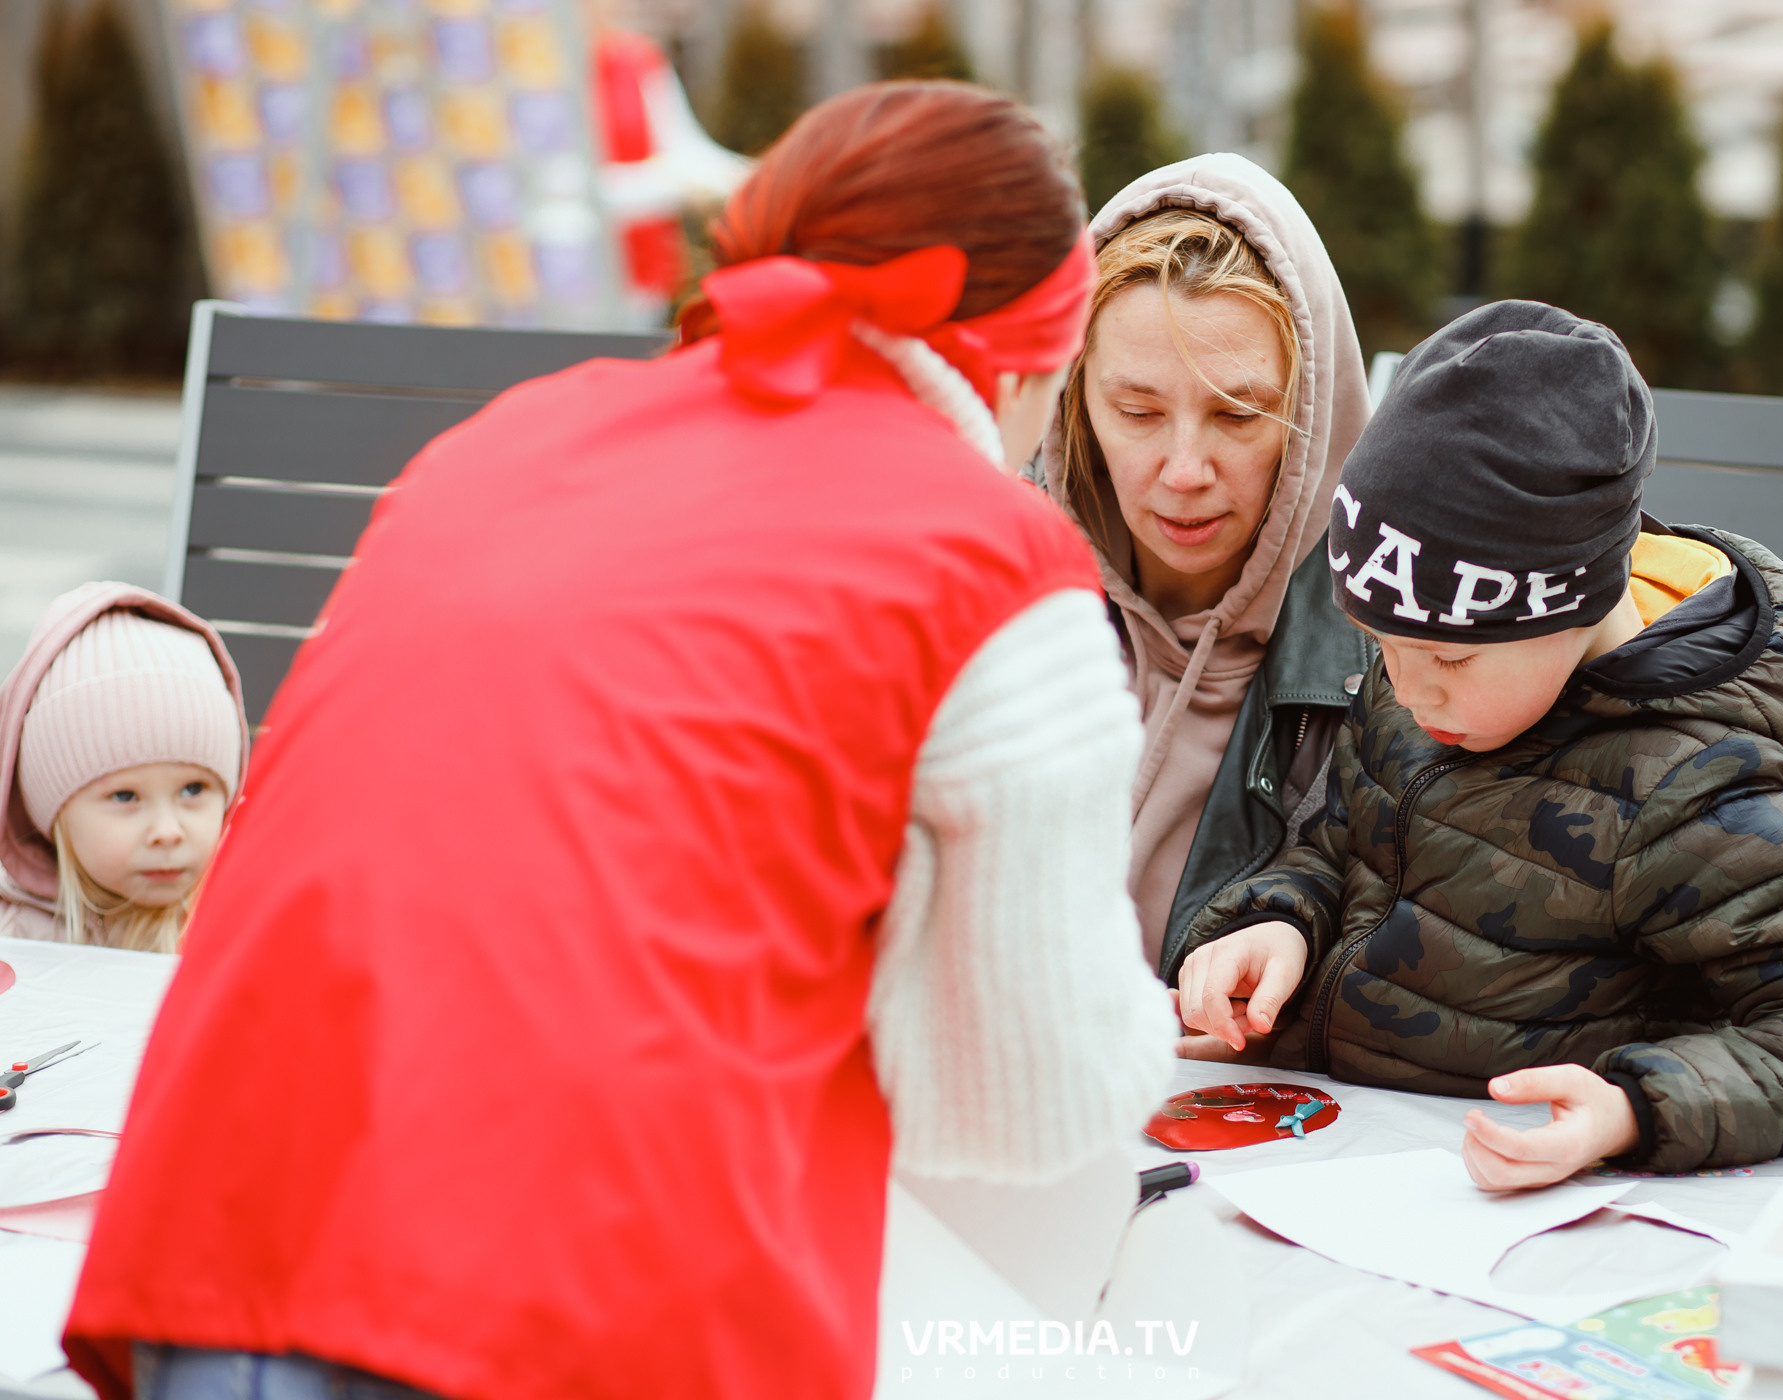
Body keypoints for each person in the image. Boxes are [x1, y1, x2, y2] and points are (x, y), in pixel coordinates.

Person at [66, 82, 1172, 1400]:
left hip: (224, 1240)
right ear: (1037, 356)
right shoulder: (991, 556)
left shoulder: (512, 435)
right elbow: (1024, 1105)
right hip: (581, 1296)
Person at [1172, 300, 1783, 1186]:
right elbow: (1343, 840)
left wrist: (1636, 1109)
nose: (1408, 689)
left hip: (1520, 1203)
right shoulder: (1431, 682)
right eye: (1383, 646)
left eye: (1447, 654)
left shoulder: (1691, 783)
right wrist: (1280, 917)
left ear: (1576, 602)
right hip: (1341, 1150)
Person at [1031, 154, 1372, 996]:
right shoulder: (980, 616)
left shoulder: (1410, 663)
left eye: (1237, 413)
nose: (1185, 470)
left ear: (1310, 416)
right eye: (1138, 412)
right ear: (1075, 402)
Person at [0, 583, 247, 953]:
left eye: (193, 789)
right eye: (125, 795)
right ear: (53, 817)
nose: (167, 832)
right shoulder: (16, 940)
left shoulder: (244, 931)